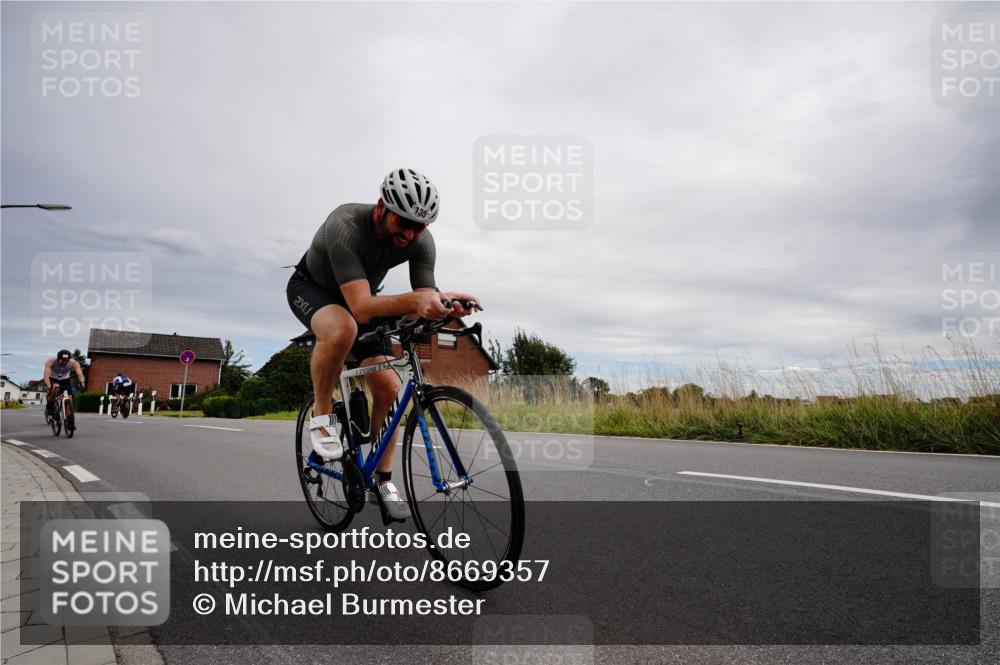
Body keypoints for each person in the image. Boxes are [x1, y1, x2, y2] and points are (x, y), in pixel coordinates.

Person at [287, 168, 479, 521]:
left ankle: (383, 479)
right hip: (313, 290)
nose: (408, 233)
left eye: (417, 226)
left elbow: (422, 297)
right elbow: (360, 308)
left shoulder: (422, 242)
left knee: (389, 388)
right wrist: (415, 301)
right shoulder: (346, 225)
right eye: (401, 221)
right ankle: (322, 413)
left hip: (361, 298)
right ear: (381, 208)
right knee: (342, 327)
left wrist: (443, 301)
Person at [43, 350, 85, 417]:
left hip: (65, 379)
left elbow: (79, 374)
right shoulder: (50, 361)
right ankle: (50, 407)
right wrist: (48, 385)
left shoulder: (74, 363)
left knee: (69, 398)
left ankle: (69, 420)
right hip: (53, 378)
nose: (65, 362)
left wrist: (82, 383)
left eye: (66, 360)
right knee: (55, 387)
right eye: (62, 360)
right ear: (58, 359)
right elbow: (46, 376)